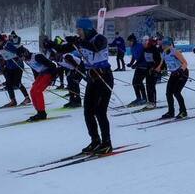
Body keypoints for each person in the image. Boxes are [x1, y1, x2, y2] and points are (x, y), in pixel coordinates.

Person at [47, 18, 114, 154]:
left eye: (79, 30)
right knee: (88, 111)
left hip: (104, 77)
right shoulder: (81, 41)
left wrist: (77, 42)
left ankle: (107, 143)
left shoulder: (99, 38)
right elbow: (63, 49)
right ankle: (95, 141)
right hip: (92, 78)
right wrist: (51, 45)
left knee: (100, 112)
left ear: (87, 29)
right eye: (77, 30)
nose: (78, 32)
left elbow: (95, 48)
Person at [0, 34, 30, 107]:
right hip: (9, 66)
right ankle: (13, 101)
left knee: (17, 83)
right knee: (8, 84)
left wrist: (6, 48)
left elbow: (16, 51)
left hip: (17, 65)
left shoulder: (8, 44)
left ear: (2, 40)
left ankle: (27, 98)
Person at [19, 47, 58, 121]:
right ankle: (39, 112)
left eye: (21, 56)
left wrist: (53, 79)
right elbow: (34, 69)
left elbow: (53, 66)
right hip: (42, 74)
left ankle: (42, 113)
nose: (22, 59)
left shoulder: (37, 56)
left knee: (38, 91)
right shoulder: (27, 60)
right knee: (32, 91)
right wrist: (36, 80)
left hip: (49, 73)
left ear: (25, 53)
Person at [160, 37, 189, 119]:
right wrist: (157, 71)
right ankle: (171, 112)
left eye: (164, 45)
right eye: (162, 45)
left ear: (169, 45)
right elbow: (162, 65)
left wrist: (181, 70)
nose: (163, 46)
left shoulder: (175, 52)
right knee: (168, 93)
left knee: (176, 92)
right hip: (173, 74)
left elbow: (185, 63)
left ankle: (183, 112)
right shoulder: (164, 53)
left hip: (182, 73)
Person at [127, 34, 148, 106]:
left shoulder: (139, 46)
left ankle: (144, 98)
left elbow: (142, 57)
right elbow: (133, 56)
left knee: (139, 82)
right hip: (139, 67)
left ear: (133, 41)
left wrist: (135, 64)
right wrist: (131, 63)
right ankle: (138, 98)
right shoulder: (132, 47)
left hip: (144, 66)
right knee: (134, 82)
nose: (129, 43)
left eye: (129, 41)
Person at [142, 35, 163, 108]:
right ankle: (150, 101)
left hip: (154, 69)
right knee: (148, 85)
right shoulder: (146, 49)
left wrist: (154, 68)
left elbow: (159, 60)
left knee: (152, 86)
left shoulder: (155, 49)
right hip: (148, 69)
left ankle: (153, 102)